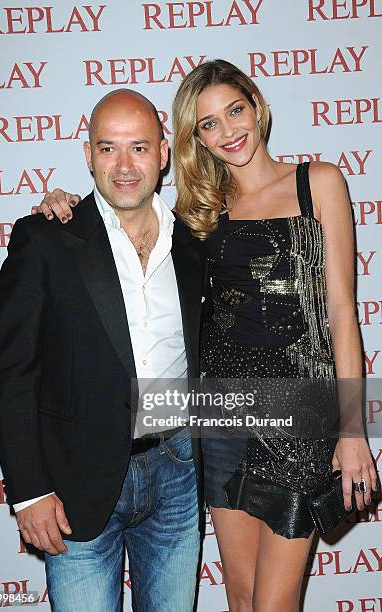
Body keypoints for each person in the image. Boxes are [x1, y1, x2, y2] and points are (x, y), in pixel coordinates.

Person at [40, 61, 378, 612]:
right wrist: (63, 207)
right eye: (208, 124)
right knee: (241, 600)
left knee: (273, 604)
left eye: (235, 111)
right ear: (193, 138)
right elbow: (121, 212)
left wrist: (351, 430)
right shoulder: (198, 212)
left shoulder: (318, 183)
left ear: (257, 104)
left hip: (300, 415)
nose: (228, 131)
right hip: (222, 420)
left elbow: (342, 310)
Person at [0, 89, 206, 612]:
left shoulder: (195, 244)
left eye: (139, 148)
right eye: (108, 149)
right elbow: (11, 372)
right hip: (75, 480)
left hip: (178, 471)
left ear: (164, 153)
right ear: (87, 155)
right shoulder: (44, 238)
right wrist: (30, 491)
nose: (124, 166)